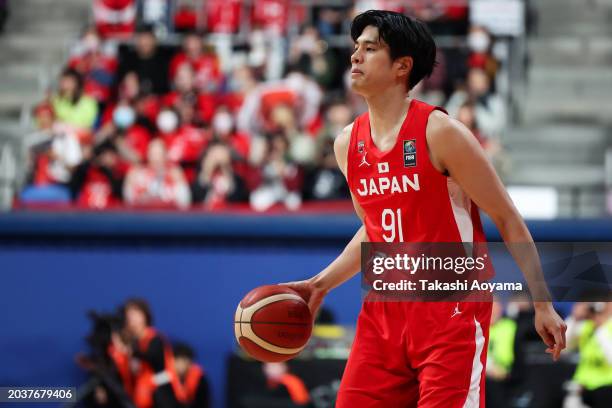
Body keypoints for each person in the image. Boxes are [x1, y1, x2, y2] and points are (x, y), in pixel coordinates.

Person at [283, 10, 566, 407]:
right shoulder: (347, 144)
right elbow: (378, 232)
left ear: (402, 66)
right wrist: (320, 284)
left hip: (451, 313)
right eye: (355, 48)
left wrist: (542, 303)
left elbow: (507, 217)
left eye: (370, 48)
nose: (355, 57)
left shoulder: (441, 132)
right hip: (383, 316)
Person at [565, 301, 612, 408]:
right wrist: (574, 318)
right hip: (582, 387)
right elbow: (563, 348)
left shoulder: (607, 327)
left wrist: (600, 328)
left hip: (607, 388)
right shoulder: (586, 326)